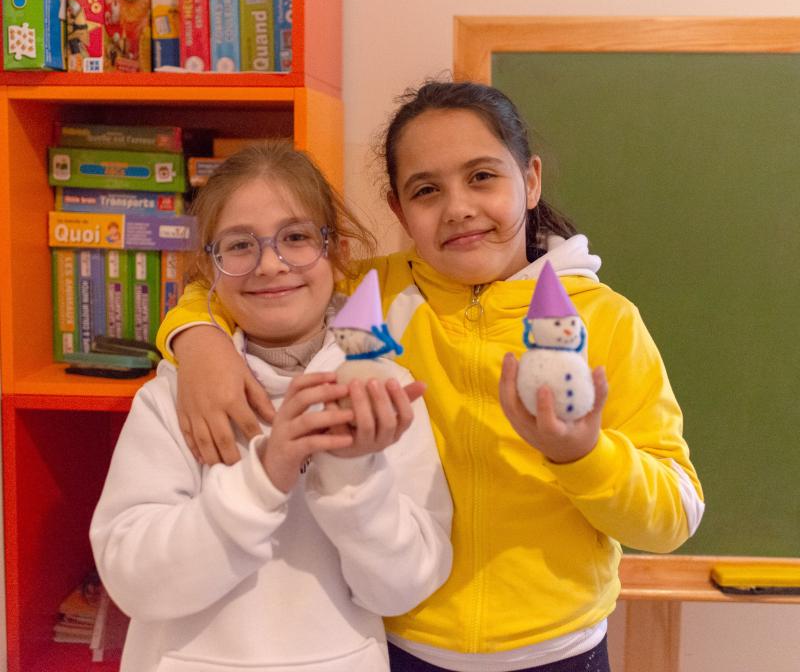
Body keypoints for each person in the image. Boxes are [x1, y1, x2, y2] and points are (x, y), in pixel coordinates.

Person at [157, 81, 705, 672]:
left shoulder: (604, 320)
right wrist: (198, 340)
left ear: (531, 181)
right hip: (396, 644)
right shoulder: (367, 292)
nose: (459, 207)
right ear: (398, 210)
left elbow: (674, 516)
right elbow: (249, 285)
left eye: (482, 177)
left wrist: (583, 453)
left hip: (559, 650)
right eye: (426, 190)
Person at [90, 143, 453, 672]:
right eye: (239, 246)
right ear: (208, 268)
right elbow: (132, 581)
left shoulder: (388, 391)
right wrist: (261, 479)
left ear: (339, 253)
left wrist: (352, 474)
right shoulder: (173, 397)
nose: (269, 264)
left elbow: (403, 588)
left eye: (297, 238)